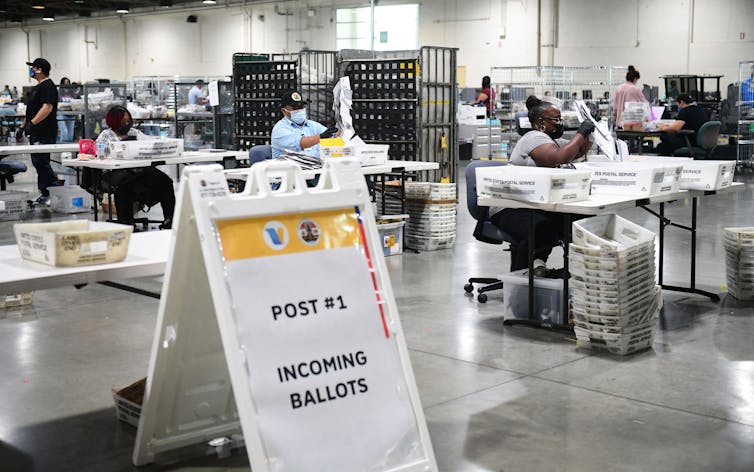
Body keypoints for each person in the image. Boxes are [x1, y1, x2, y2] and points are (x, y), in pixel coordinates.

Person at [490, 95, 595, 275]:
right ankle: (523, 279)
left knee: (574, 220)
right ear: (540, 122)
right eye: (556, 120)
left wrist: (591, 129)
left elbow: (577, 150)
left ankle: (553, 268)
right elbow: (557, 158)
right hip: (509, 206)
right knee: (540, 226)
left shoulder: (549, 140)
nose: (560, 123)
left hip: (531, 202)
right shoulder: (533, 137)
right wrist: (580, 133)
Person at [94, 105, 175, 229]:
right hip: (116, 173)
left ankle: (170, 219)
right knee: (125, 185)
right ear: (114, 122)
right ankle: (126, 223)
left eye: (128, 121)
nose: (126, 124)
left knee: (165, 181)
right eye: (123, 121)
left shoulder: (134, 132)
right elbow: (102, 156)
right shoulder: (106, 136)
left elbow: (149, 143)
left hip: (138, 170)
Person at [15, 58, 59, 205]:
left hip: (44, 132)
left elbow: (47, 108)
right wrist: (22, 126)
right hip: (36, 131)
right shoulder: (37, 87)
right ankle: (45, 193)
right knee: (39, 163)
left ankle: (54, 192)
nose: (31, 70)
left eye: (33, 68)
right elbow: (31, 111)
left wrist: (32, 124)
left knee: (42, 162)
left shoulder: (48, 86)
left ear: (39, 69)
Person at [271, 90, 337, 158]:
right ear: (284, 111)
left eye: (301, 107)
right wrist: (320, 137)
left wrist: (341, 126)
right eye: (294, 108)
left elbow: (334, 137)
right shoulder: (280, 129)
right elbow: (301, 144)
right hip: (288, 168)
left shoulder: (313, 125)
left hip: (316, 166)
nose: (299, 110)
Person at [57, 77, 75, 143]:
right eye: (65, 82)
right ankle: (63, 149)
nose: (66, 84)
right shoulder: (58, 92)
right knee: (64, 132)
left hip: (71, 114)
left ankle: (68, 150)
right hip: (61, 113)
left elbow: (75, 102)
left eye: (68, 82)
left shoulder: (72, 92)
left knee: (70, 134)